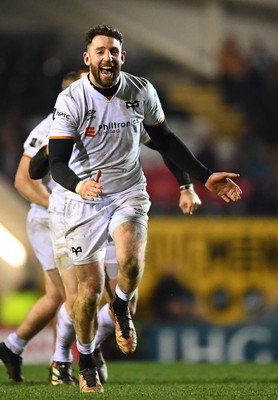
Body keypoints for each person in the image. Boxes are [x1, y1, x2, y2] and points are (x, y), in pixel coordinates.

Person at [48, 24, 242, 393]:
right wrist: (79, 184)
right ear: (87, 58)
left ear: (123, 56)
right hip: (83, 201)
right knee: (87, 294)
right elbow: (56, 162)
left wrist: (201, 177)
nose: (108, 57)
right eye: (101, 51)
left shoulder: (141, 91)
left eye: (114, 51)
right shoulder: (72, 100)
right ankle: (86, 357)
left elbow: (165, 140)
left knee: (131, 261)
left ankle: (120, 307)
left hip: (128, 192)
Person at [29, 118, 203, 385]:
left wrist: (185, 183)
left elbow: (164, 143)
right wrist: (53, 152)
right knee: (80, 296)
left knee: (126, 300)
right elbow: (33, 170)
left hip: (116, 208)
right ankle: (62, 359)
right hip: (72, 214)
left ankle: (93, 343)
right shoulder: (64, 119)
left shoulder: (120, 116)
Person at [0, 69, 88, 385]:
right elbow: (23, 181)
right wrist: (56, 206)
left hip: (72, 218)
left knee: (56, 298)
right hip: (48, 220)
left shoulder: (91, 125)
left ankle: (12, 346)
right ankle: (63, 365)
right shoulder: (48, 129)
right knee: (74, 295)